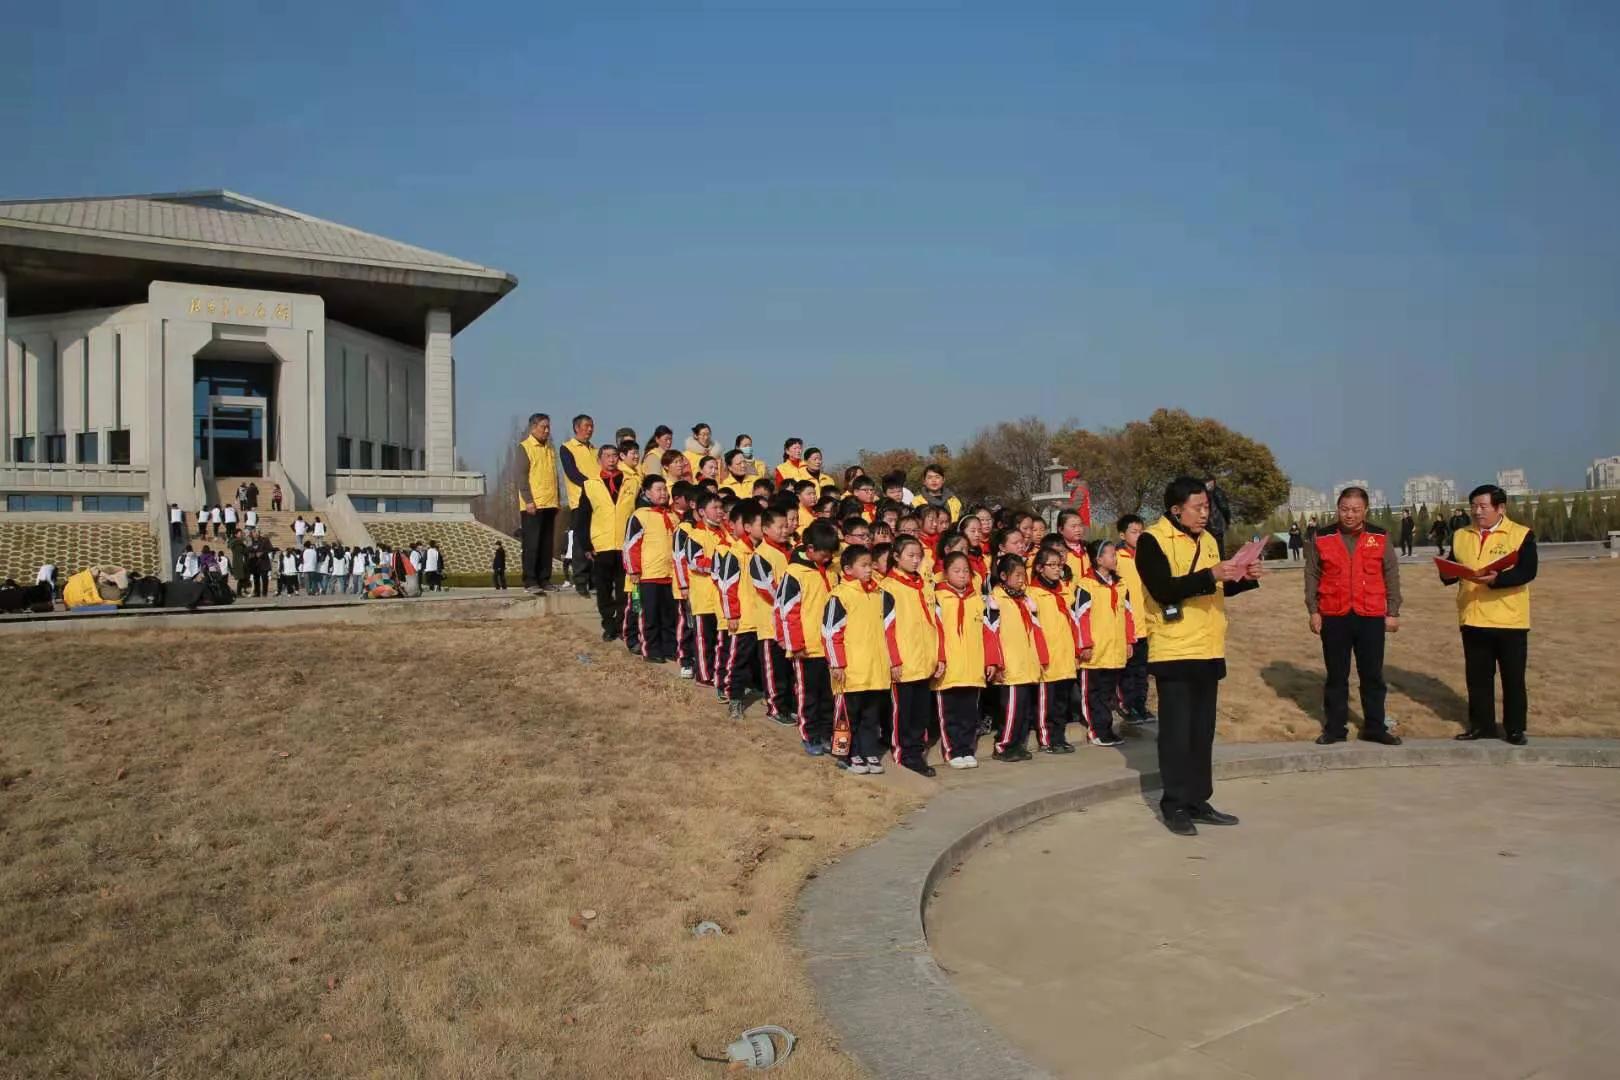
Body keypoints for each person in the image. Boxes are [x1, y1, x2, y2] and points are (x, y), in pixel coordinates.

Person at [1135, 476, 1261, 837]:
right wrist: (1211, 573)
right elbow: (1164, 590)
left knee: (1202, 732)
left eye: (1207, 507)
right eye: (1198, 508)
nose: (1205, 514)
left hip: (1208, 647)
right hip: (1174, 650)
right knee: (1176, 733)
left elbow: (1214, 586)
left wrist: (1244, 576)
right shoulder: (1152, 540)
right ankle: (1173, 803)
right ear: (1176, 510)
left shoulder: (1207, 539)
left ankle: (1197, 799)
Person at [1305, 487, 1403, 746]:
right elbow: (1312, 575)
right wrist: (1313, 610)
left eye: (1355, 510)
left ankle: (1375, 727)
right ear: (1337, 509)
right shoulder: (1322, 536)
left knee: (1372, 674)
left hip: (1370, 614)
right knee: (1337, 676)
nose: (1349, 514)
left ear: (1365, 510)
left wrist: (1392, 611)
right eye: (1344, 509)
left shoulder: (1379, 536)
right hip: (1333, 614)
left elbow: (1391, 574)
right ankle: (1335, 729)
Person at [1441, 484, 1539, 745]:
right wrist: (1447, 573)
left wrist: (1497, 579)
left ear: (1501, 508)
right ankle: (1481, 726)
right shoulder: (1461, 534)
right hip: (1473, 617)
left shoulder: (1520, 535)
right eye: (1474, 506)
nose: (1477, 512)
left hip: (1509, 620)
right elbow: (1453, 566)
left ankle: (1515, 728)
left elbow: (1528, 571)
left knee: (1513, 678)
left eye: (1483, 506)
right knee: (1478, 679)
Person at [821, 544, 895, 774]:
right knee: (847, 716)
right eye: (863, 565)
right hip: (851, 670)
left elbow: (889, 632)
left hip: (875, 669)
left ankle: (867, 751)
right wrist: (836, 663)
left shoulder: (879, 595)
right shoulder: (840, 596)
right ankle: (845, 753)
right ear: (847, 569)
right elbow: (831, 632)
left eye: (870, 565)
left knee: (871, 716)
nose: (868, 570)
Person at [881, 535, 947, 776]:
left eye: (919, 555)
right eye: (910, 555)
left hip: (925, 661)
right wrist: (894, 660)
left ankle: (916, 751)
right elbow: (887, 629)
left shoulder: (925, 585)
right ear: (896, 557)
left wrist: (940, 656)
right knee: (903, 713)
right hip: (904, 662)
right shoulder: (888, 588)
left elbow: (937, 624)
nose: (915, 560)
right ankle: (905, 755)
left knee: (920, 713)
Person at [778, 520, 841, 756]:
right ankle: (810, 734)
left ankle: (826, 733)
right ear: (810, 548)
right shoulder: (795, 573)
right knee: (808, 694)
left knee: (828, 694)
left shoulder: (833, 570)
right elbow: (787, 610)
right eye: (824, 554)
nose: (828, 558)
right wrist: (795, 643)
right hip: (806, 646)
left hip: (829, 646)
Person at [933, 551, 999, 768]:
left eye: (966, 571)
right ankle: (952, 751)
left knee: (970, 713)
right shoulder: (938, 598)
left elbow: (988, 632)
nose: (962, 575)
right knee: (950, 712)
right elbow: (936, 632)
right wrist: (940, 657)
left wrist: (991, 660)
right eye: (956, 571)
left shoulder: (978, 599)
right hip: (950, 668)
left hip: (973, 667)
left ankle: (966, 749)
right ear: (945, 574)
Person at [986, 555, 1048, 763]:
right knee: (1011, 710)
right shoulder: (995, 600)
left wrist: (1041, 657)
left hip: (1026, 663)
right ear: (1003, 576)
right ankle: (1003, 745)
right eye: (1017, 575)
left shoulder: (1024, 600)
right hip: (1010, 665)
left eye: (1024, 575)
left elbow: (1036, 631)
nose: (1022, 580)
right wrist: (997, 662)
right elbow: (991, 633)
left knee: (1022, 709)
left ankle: (1017, 744)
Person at [1076, 539, 1137, 748]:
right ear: (1098, 559)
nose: (1115, 558)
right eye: (1111, 554)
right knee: (1093, 694)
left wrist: (1129, 640)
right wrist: (1084, 644)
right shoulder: (1086, 585)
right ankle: (1096, 730)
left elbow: (1128, 615)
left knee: (1108, 693)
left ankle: (1107, 729)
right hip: (1095, 652)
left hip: (1115, 649)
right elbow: (1081, 617)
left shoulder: (1121, 585)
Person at [582, 443, 640, 641]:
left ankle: (622, 624)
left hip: (625, 545)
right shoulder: (590, 485)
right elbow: (582, 517)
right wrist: (586, 545)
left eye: (615, 455)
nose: (612, 459)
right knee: (604, 590)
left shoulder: (632, 482)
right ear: (600, 460)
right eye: (607, 456)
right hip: (602, 545)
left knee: (624, 590)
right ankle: (608, 624)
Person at [1027, 546, 1079, 754]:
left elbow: (1073, 622)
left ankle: (1060, 736)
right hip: (1047, 657)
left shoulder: (1065, 590)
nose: (1057, 569)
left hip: (1065, 655)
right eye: (1052, 565)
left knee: (1061, 703)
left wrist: (1076, 650)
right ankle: (1047, 739)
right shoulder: (1032, 593)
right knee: (1046, 704)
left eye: (1060, 565)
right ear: (1040, 568)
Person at [624, 476, 680, 664]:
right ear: (647, 492)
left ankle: (670, 647)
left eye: (665, 489)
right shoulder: (640, 515)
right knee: (649, 615)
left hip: (669, 574)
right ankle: (651, 648)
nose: (663, 493)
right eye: (658, 489)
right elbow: (631, 545)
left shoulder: (673, 516)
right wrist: (634, 570)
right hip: (648, 575)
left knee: (668, 615)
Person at [750, 507, 797, 724]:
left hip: (792, 624)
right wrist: (793, 601)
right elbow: (768, 589)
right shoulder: (760, 556)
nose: (784, 530)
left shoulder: (791, 550)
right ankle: (775, 707)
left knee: (789, 670)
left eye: (786, 526)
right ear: (766, 529)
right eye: (780, 527)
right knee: (774, 669)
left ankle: (789, 705)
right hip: (771, 624)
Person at [1114, 515, 1155, 725]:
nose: (1138, 536)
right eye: (1133, 532)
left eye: (1141, 531)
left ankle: (1141, 704)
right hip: (1126, 625)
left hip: (1146, 623)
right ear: (1122, 535)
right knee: (1127, 670)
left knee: (1143, 670)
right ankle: (1126, 704)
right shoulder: (1117, 559)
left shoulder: (1147, 557)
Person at [518, 412, 561, 593]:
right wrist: (528, 500)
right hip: (533, 505)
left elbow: (554, 476)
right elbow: (521, 476)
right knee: (532, 544)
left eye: (548, 427)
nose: (547, 430)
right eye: (543, 427)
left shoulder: (550, 449)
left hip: (550, 503)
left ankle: (544, 579)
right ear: (533, 428)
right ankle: (530, 580)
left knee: (546, 545)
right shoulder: (525, 447)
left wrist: (557, 500)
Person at [560, 414, 597, 596]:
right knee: (580, 542)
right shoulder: (567, 448)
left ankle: (593, 579)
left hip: (597, 501)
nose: (590, 429)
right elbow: (572, 473)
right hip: (580, 500)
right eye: (586, 426)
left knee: (596, 540)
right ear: (576, 428)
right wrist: (591, 485)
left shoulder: (595, 450)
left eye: (592, 426)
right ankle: (580, 580)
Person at [1203, 477, 1231, 554]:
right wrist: (1227, 521)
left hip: (1206, 525)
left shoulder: (1202, 493)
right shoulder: (1217, 492)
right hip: (1216, 524)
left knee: (1209, 547)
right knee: (1218, 548)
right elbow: (1224, 508)